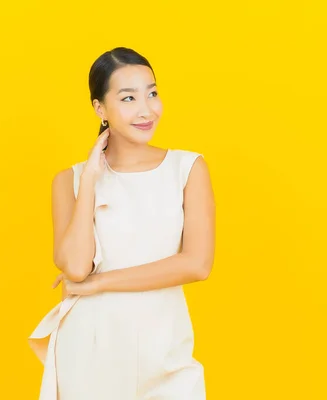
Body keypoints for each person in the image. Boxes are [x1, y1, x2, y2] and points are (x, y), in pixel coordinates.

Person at [28, 47, 216, 400]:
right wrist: (89, 182)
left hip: (164, 354)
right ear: (100, 108)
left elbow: (196, 264)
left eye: (152, 93)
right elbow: (75, 266)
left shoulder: (187, 168)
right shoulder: (68, 180)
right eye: (128, 98)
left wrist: (101, 284)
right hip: (89, 352)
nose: (147, 110)